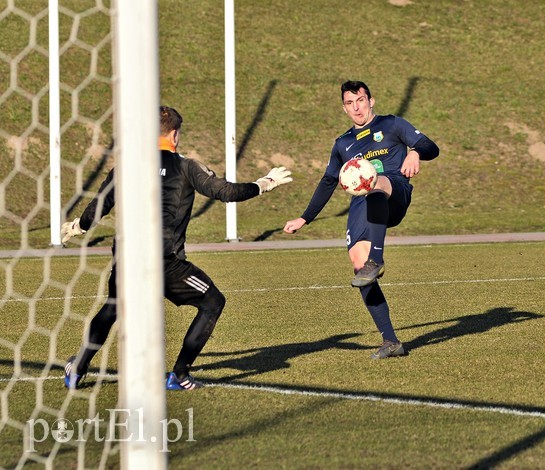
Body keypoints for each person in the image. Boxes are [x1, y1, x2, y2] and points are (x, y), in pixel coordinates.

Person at [61, 106, 292, 390]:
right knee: (213, 303)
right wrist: (263, 184)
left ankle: (77, 369)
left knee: (112, 309)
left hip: (129, 259)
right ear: (174, 134)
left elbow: (99, 205)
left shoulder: (127, 165)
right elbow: (226, 192)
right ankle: (179, 374)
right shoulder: (185, 166)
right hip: (165, 262)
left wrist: (78, 227)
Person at [283, 80, 439, 359]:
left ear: (371, 101)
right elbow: (329, 181)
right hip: (361, 204)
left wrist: (414, 152)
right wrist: (305, 218)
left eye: (361, 100)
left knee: (375, 184)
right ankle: (391, 342)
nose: (356, 107)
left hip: (394, 190)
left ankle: (376, 258)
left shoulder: (392, 125)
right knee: (359, 270)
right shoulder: (343, 143)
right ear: (344, 108)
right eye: (350, 103)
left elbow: (431, 146)